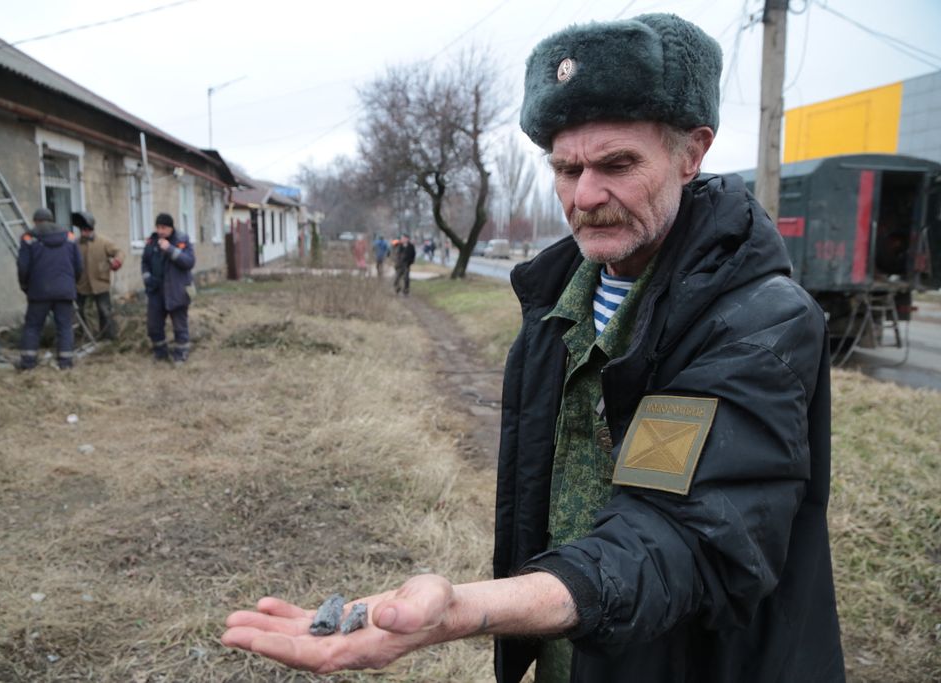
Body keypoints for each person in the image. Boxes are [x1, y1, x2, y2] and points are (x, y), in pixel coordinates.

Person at [221, 14, 844, 683]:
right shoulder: (555, 302)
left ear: (691, 152)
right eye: (565, 168)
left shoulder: (759, 321)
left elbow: (682, 537)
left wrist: (465, 609)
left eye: (617, 165)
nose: (585, 196)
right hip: (573, 655)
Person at [17, 207, 82, 370]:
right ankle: (66, 363)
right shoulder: (69, 236)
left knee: (33, 327)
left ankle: (28, 363)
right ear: (52, 220)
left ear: (37, 221)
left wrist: (25, 286)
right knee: (65, 326)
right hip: (64, 291)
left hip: (39, 291)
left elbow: (23, 267)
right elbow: (79, 265)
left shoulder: (28, 237)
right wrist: (72, 283)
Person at [141, 213, 195, 364]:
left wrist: (170, 249)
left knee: (179, 325)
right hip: (156, 291)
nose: (160, 231)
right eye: (158, 227)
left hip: (176, 290)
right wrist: (147, 278)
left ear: (171, 228)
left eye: (163, 227)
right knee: (154, 326)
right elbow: (144, 261)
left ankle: (181, 353)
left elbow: (189, 262)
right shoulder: (152, 241)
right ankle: (160, 353)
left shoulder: (182, 240)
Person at [73, 210, 123, 340]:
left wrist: (117, 261)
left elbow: (119, 252)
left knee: (104, 311)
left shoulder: (104, 242)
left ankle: (108, 337)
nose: (84, 232)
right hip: (82, 284)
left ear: (91, 229)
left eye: (86, 229)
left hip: (100, 283)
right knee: (83, 311)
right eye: (82, 229)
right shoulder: (75, 244)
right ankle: (88, 336)